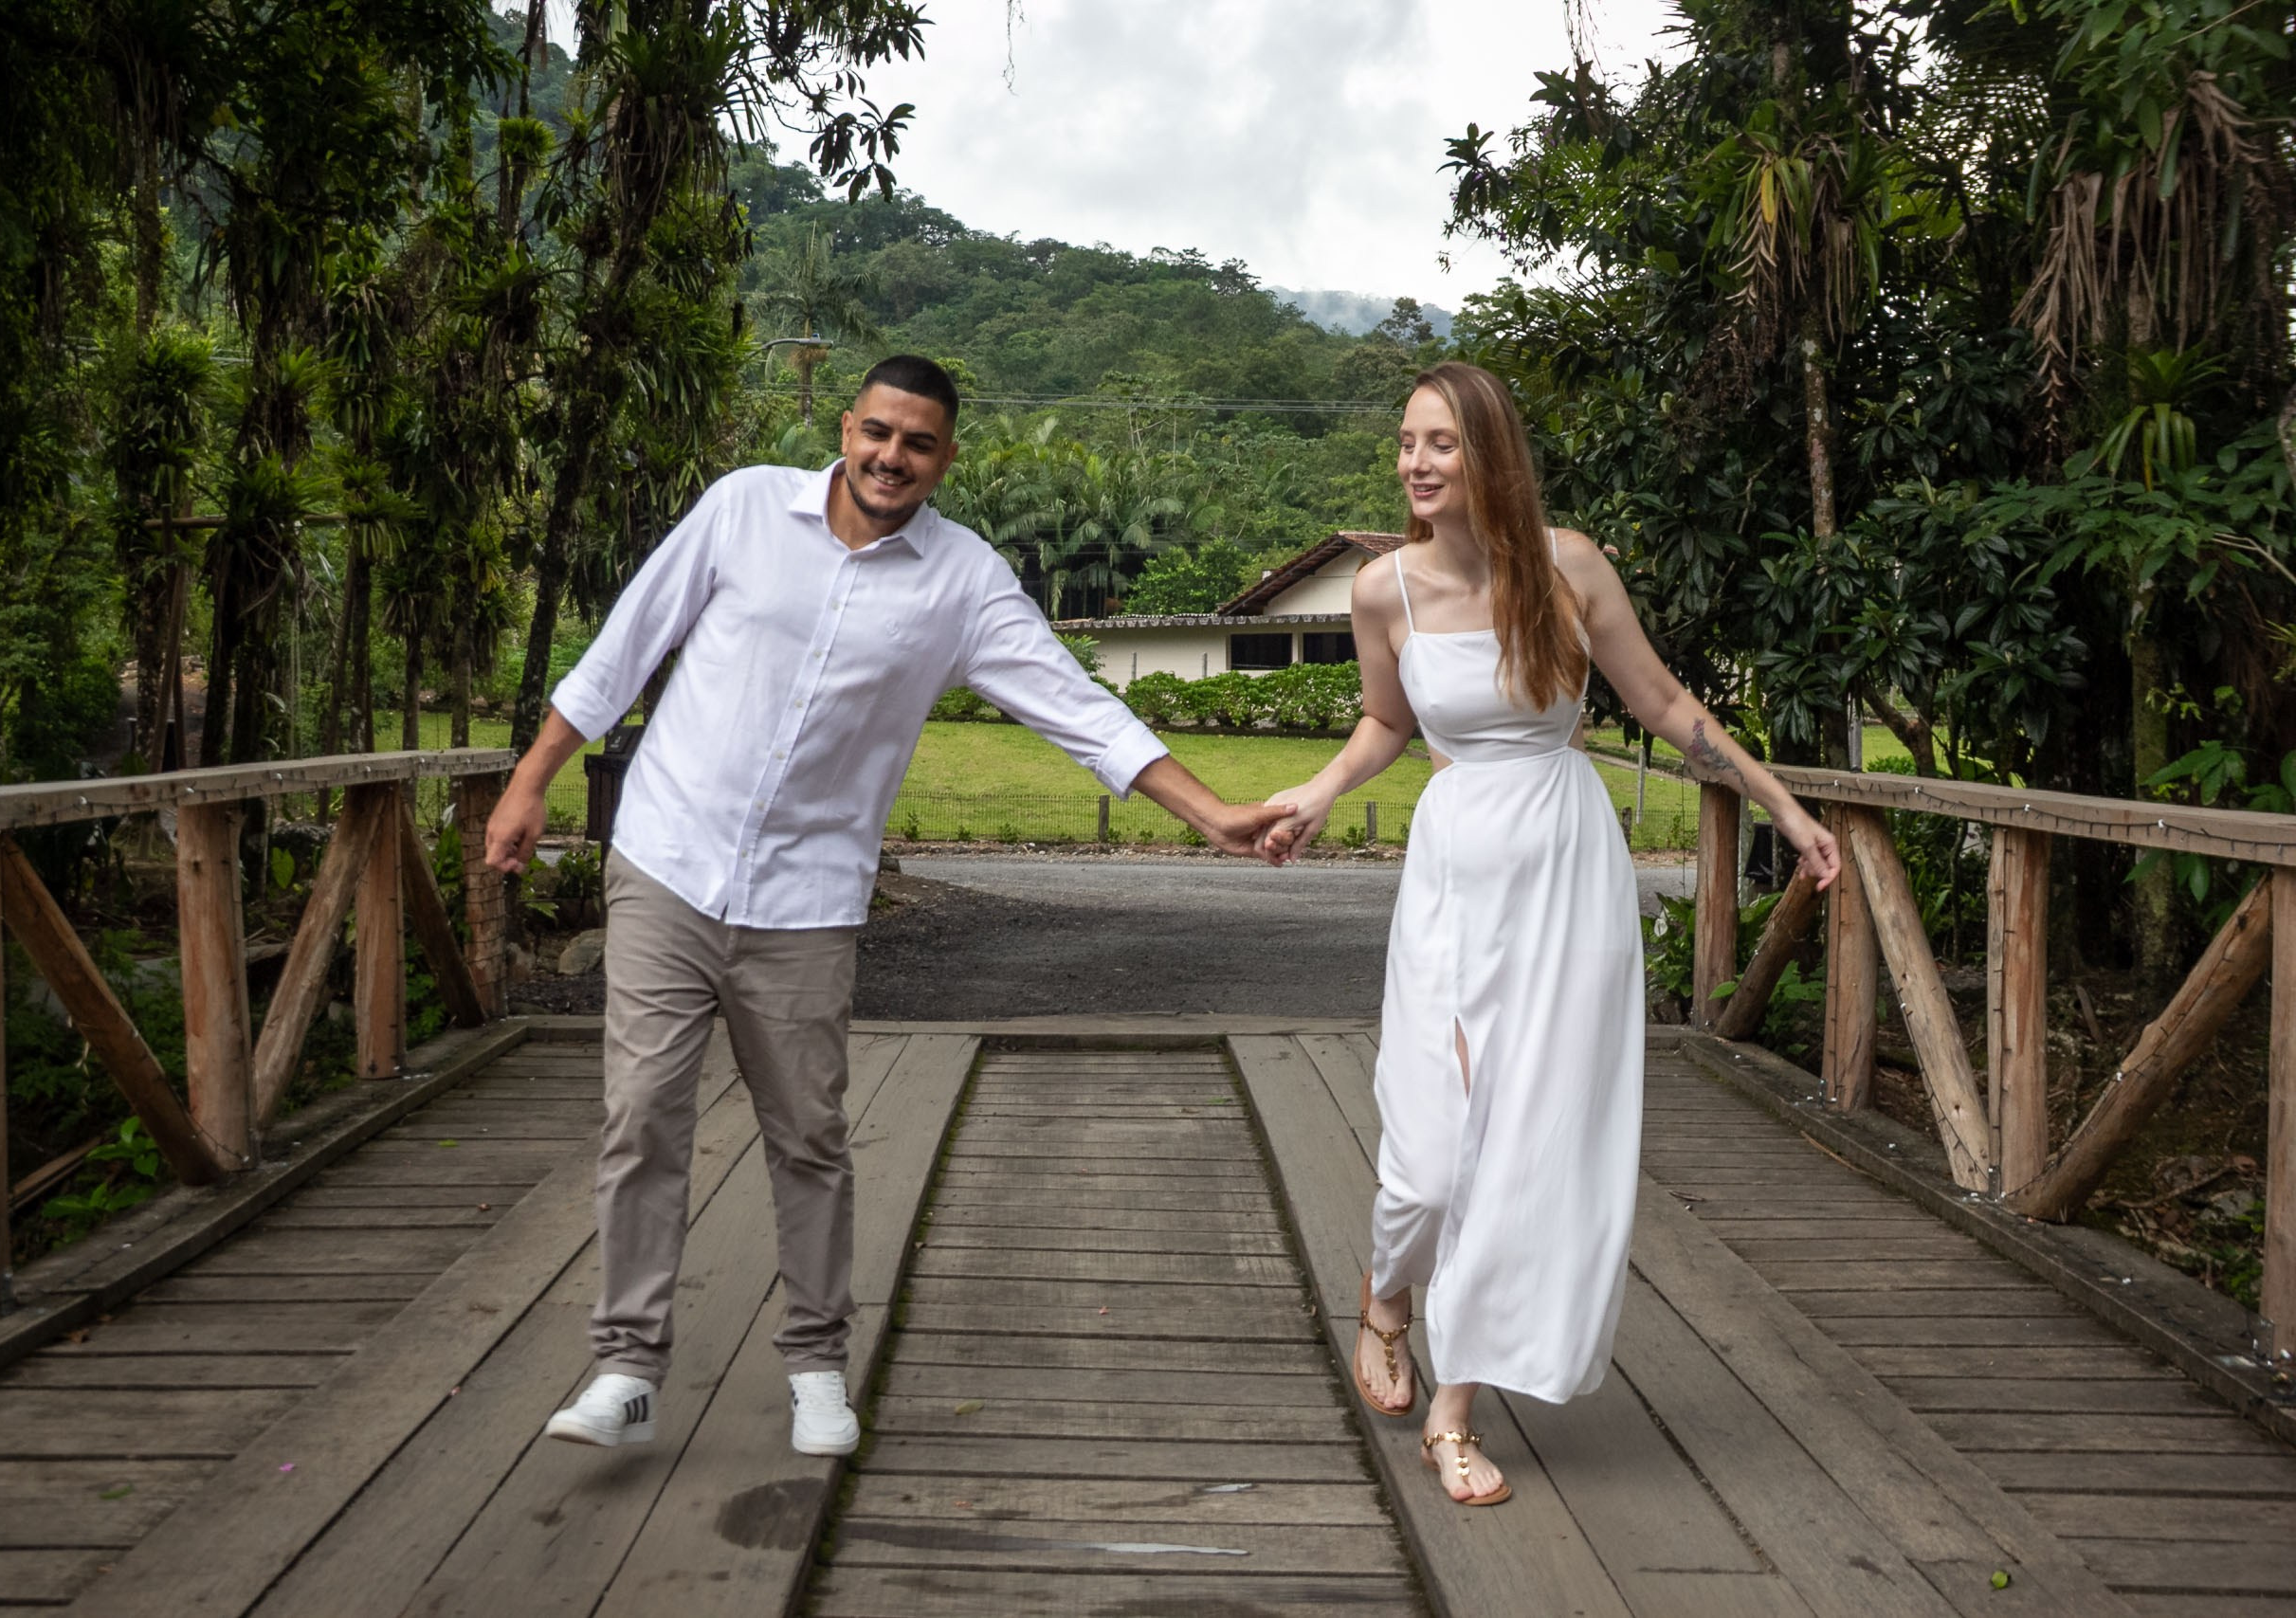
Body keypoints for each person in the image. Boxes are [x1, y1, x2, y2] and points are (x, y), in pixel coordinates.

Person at [484, 355, 1292, 1458]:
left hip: (807, 899)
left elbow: (1075, 704)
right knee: (641, 1120)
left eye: (917, 443)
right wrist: (531, 779)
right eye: (876, 432)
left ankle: (817, 1366)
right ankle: (627, 1365)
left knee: (808, 1135)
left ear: (944, 458)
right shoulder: (741, 510)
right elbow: (625, 645)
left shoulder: (963, 582)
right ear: (845, 426)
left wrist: (1209, 814)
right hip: (670, 861)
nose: (889, 457)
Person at [1261, 363, 1841, 1505]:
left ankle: (1454, 1412)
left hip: (1566, 874)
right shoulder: (1382, 589)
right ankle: (1387, 1295)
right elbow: (1386, 720)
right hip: (1453, 869)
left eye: (1439, 444)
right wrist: (1323, 790)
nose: (1414, 464)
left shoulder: (1569, 569)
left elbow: (1668, 707)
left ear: (1489, 456)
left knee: (1521, 1146)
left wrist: (1781, 803)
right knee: (1428, 1157)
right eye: (1405, 443)